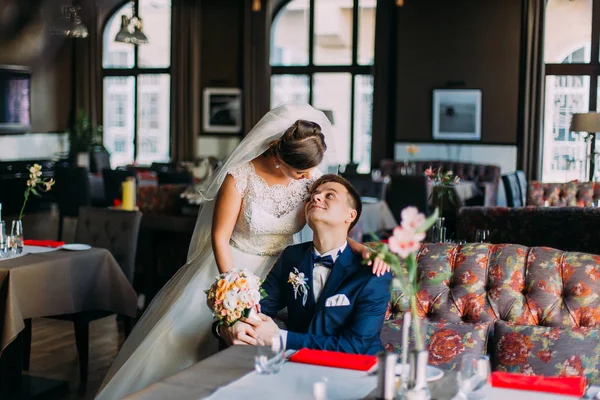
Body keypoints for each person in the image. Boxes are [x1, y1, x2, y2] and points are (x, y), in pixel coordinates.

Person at [96, 104, 388, 399]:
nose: (308, 180)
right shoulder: (240, 178)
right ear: (279, 158)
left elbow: (334, 227)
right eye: (299, 172)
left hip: (285, 266)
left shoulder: (309, 176)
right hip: (233, 264)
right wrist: (233, 286)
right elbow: (220, 237)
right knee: (183, 342)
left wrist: (363, 249)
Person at [218, 174, 392, 354]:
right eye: (311, 197)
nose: (315, 198)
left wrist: (280, 338)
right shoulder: (292, 257)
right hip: (299, 367)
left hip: (358, 372)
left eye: (329, 195)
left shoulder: (374, 269)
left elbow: (356, 346)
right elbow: (259, 306)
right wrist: (228, 326)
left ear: (350, 215)